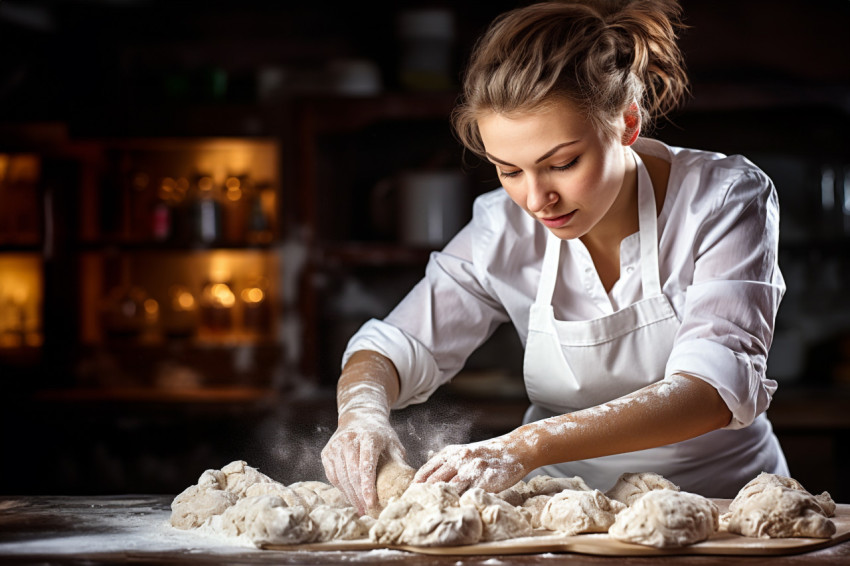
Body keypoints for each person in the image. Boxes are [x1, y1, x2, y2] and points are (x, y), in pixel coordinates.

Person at [321, 0, 789, 516]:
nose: (536, 198)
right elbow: (395, 345)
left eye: (562, 163)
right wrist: (361, 415)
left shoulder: (722, 199)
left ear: (627, 123)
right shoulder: (502, 226)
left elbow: (710, 390)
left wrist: (523, 446)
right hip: (562, 517)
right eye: (509, 169)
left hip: (728, 509)